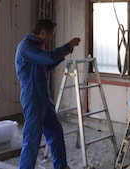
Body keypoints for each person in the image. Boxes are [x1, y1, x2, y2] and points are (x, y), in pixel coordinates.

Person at [15, 18, 81, 169]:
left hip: (43, 97)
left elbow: (47, 64)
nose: (50, 38)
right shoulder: (26, 47)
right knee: (32, 139)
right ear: (43, 32)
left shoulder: (35, 48)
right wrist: (67, 46)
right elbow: (48, 57)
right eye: (50, 35)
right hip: (32, 98)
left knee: (55, 131)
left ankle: (61, 166)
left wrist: (64, 54)